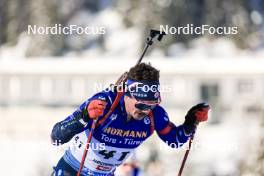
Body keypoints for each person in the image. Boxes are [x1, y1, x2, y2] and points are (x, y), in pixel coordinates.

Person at [51, 63, 209, 176]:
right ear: (126, 94)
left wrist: (191, 122)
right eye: (141, 105)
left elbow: (175, 140)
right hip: (72, 169)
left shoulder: (156, 115)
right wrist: (83, 116)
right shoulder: (105, 103)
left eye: (152, 105)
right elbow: (56, 137)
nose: (146, 111)